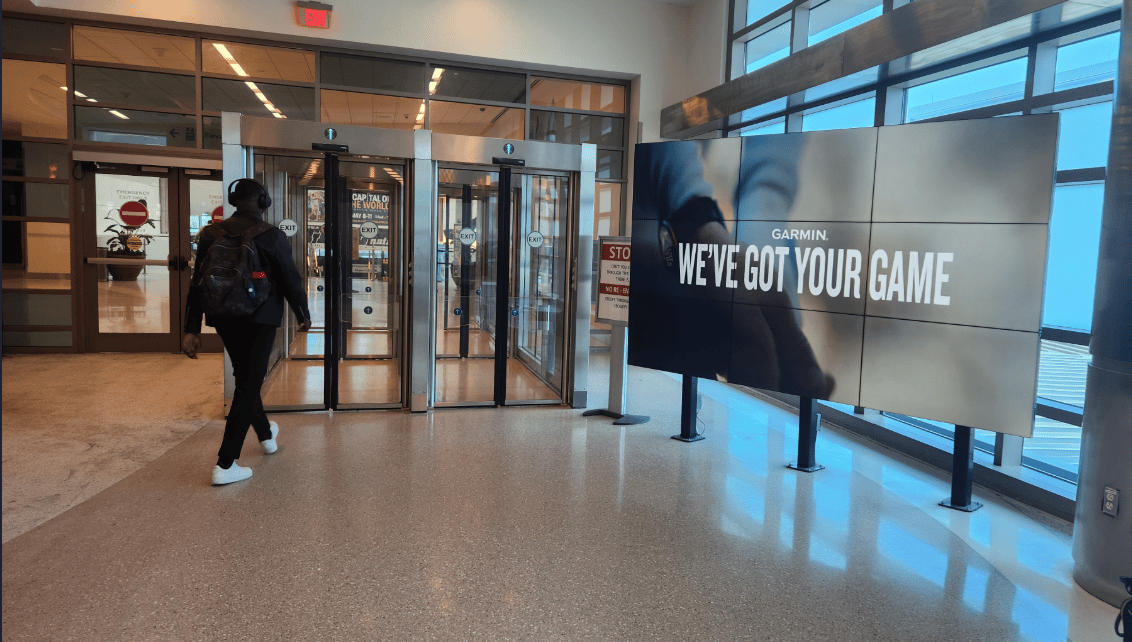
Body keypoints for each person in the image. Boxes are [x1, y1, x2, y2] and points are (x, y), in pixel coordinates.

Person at [181, 178, 312, 486]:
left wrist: (191, 328)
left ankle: (266, 436)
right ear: (263, 202)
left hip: (223, 316)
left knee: (246, 379)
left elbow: (197, 283)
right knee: (249, 384)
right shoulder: (272, 236)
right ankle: (226, 464)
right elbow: (291, 280)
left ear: (233, 200)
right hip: (261, 317)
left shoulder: (210, 234)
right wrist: (303, 316)